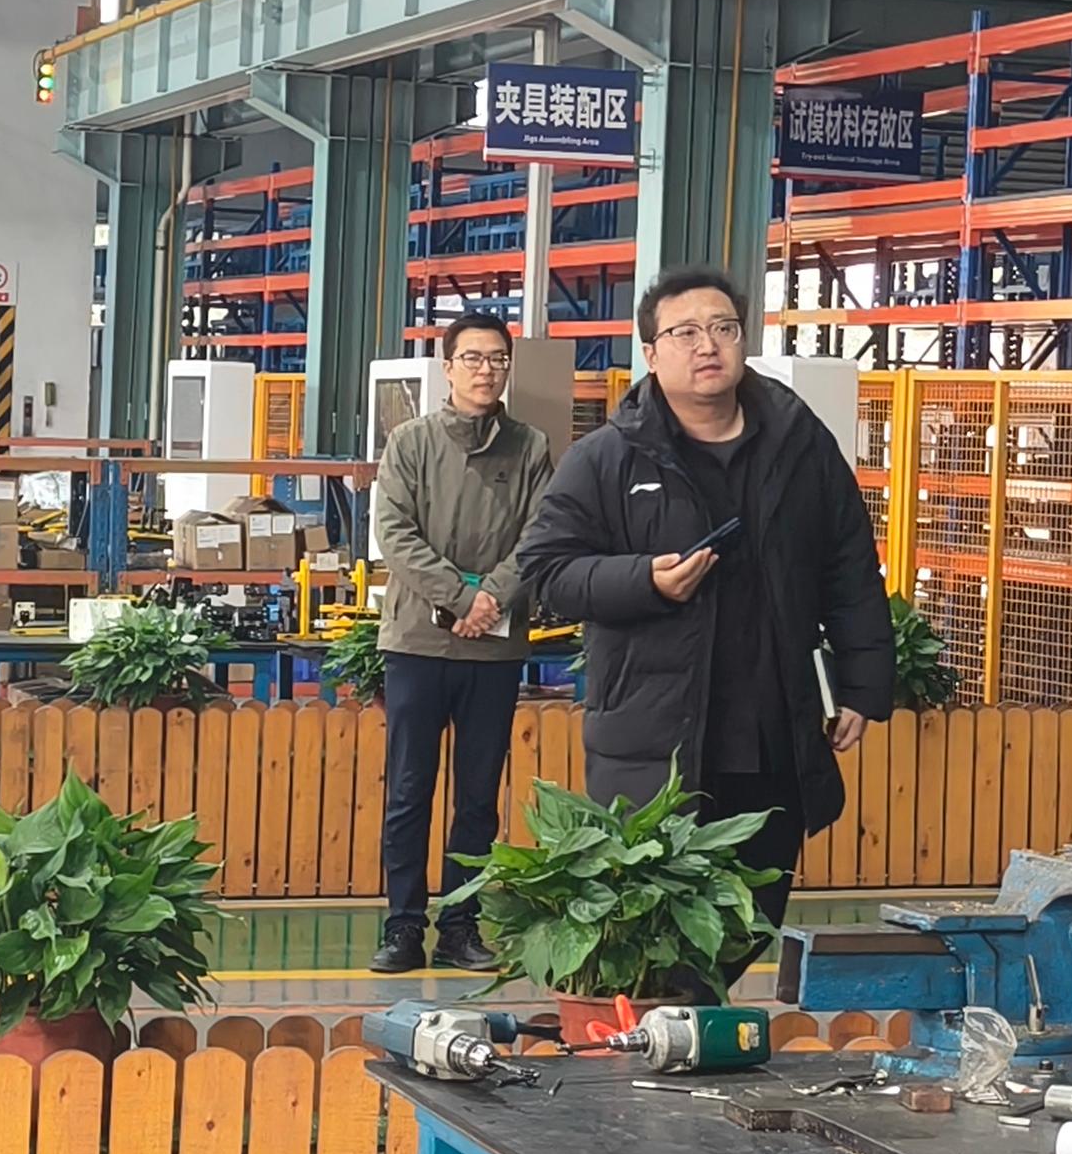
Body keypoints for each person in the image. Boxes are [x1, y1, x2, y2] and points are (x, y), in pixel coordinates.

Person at [516, 268, 894, 934]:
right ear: (651, 352)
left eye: (723, 328)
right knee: (659, 931)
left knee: (753, 917)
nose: (707, 345)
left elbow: (850, 569)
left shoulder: (800, 446)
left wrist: (864, 686)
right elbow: (546, 570)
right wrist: (644, 581)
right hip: (655, 737)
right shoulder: (608, 458)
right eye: (685, 332)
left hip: (772, 734)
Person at [366, 310, 558, 975]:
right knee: (409, 790)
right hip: (418, 644)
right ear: (447, 368)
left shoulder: (530, 447)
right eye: (472, 358)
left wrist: (492, 599)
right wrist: (458, 596)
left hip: (494, 649)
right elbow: (395, 531)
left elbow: (540, 534)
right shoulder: (411, 442)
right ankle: (402, 927)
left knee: (478, 796)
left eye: (497, 359)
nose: (486, 370)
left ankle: (460, 927)